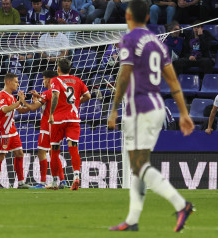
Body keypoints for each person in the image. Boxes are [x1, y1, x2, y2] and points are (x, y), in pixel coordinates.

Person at [107, 0, 194, 232]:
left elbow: (124, 76)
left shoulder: (130, 39)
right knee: (138, 165)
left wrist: (113, 108)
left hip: (140, 108)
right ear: (148, 18)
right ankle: (133, 220)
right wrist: (184, 113)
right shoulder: (158, 43)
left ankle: (181, 204)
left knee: (138, 164)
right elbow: (173, 80)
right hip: (157, 107)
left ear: (128, 17)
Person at [47, 58, 91, 190]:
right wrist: (76, 103)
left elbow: (55, 96)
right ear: (70, 70)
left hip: (58, 120)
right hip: (73, 119)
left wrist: (51, 114)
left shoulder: (55, 80)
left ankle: (55, 182)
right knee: (73, 148)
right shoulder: (77, 80)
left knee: (54, 150)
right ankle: (76, 177)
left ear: (58, 69)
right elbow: (88, 95)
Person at [22, 70, 67, 189]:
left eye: (44, 79)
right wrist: (38, 97)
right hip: (58, 127)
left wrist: (22, 100)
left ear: (48, 80)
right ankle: (62, 181)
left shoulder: (47, 93)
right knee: (54, 154)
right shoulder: (59, 92)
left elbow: (33, 108)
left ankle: (42, 183)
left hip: (47, 127)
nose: (43, 81)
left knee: (42, 153)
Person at [0, 73, 31, 189]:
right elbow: (4, 109)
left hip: (12, 129)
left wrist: (31, 104)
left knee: (19, 153)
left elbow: (21, 111)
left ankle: (20, 182)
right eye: (16, 82)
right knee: (1, 155)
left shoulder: (11, 96)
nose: (18, 84)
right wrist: (19, 101)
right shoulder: (1, 95)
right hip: (3, 130)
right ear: (8, 82)